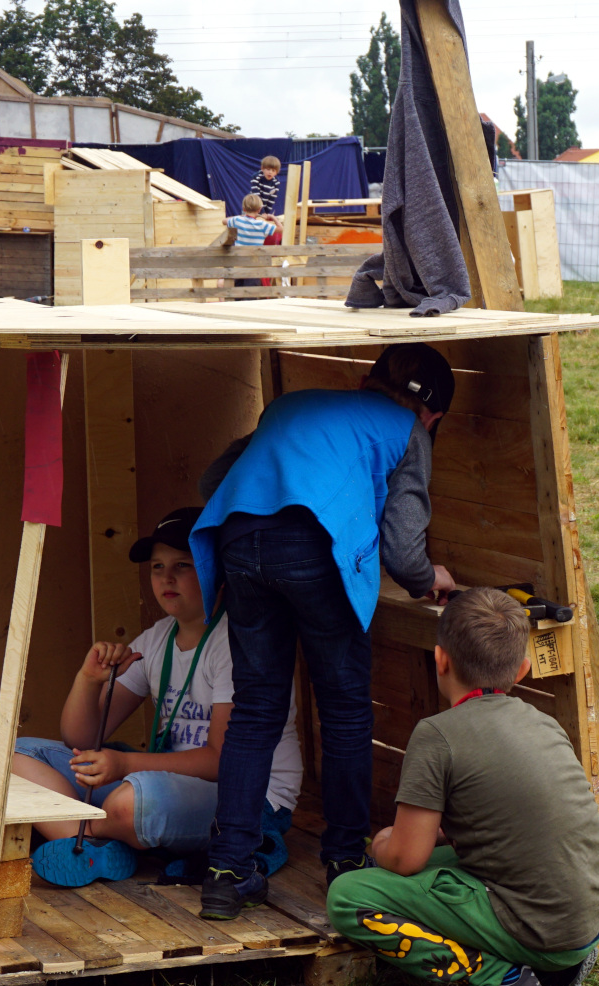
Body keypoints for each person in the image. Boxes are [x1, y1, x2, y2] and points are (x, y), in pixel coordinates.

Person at [189, 343, 460, 920]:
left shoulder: (294, 404)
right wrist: (425, 577)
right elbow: (405, 549)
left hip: (238, 543)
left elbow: (216, 477)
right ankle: (343, 859)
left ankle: (227, 870)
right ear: (431, 415)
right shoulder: (407, 431)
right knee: (343, 710)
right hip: (314, 548)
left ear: (368, 379)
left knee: (256, 707)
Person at [326, 588, 599, 986]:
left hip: (540, 928)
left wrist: (384, 847)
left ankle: (502, 984)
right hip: (584, 919)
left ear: (440, 660)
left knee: (350, 894)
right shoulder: (543, 722)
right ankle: (558, 966)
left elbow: (406, 858)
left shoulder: (437, 734)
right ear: (522, 669)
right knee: (430, 865)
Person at [12, 508, 303, 886]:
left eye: (183, 565)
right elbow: (80, 740)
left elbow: (221, 762)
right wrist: (88, 680)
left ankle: (86, 832)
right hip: (164, 782)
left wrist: (123, 765)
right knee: (18, 756)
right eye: (156, 566)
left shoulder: (239, 642)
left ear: (220, 569)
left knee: (133, 801)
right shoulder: (157, 638)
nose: (166, 577)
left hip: (246, 798)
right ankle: (92, 845)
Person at [223, 194, 279, 287]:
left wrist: (241, 216)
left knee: (237, 295)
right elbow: (281, 229)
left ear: (244, 209)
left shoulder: (237, 220)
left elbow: (224, 221)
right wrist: (273, 218)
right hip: (254, 266)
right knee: (251, 296)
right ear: (259, 209)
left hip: (239, 265)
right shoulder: (262, 224)